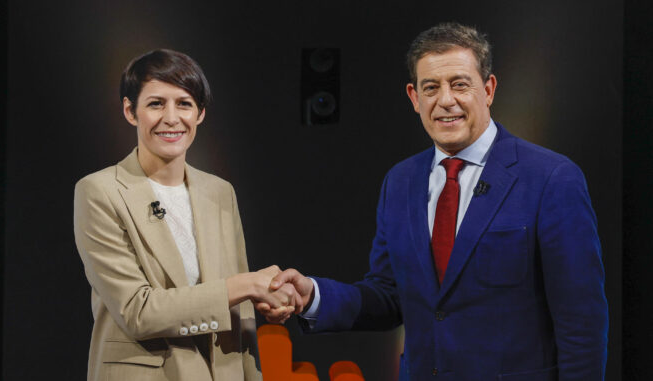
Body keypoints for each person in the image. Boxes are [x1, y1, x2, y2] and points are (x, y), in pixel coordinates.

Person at [260, 23, 608, 380]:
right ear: (414, 97)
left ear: (488, 90)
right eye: (431, 88)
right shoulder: (400, 181)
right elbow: (389, 295)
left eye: (459, 84)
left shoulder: (551, 177)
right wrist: (313, 295)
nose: (446, 100)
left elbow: (581, 321)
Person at [74, 49, 298, 381]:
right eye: (155, 104)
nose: (171, 117)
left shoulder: (220, 192)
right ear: (129, 111)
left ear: (200, 113)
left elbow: (241, 313)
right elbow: (138, 312)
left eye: (184, 103)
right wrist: (248, 284)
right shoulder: (100, 191)